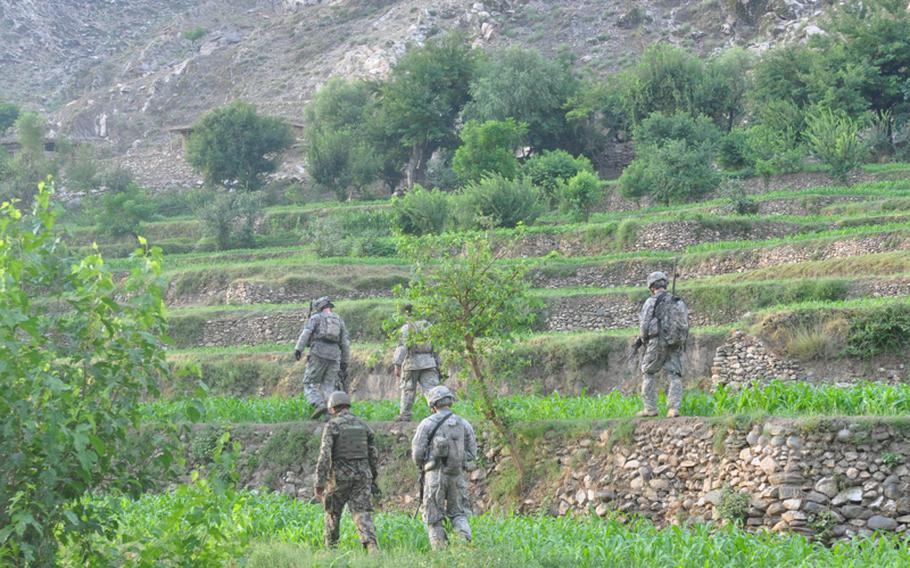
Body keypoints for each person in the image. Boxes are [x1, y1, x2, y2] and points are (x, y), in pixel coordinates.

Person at [411, 386, 477, 550]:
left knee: (434, 517)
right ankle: (464, 549)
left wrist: (426, 464)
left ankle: (440, 554)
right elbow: (472, 453)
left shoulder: (426, 424)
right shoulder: (463, 423)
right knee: (459, 514)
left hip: (435, 476)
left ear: (433, 404)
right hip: (457, 476)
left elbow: (417, 454)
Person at [314, 391, 380, 552]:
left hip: (338, 478)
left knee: (332, 514)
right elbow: (374, 455)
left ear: (332, 408)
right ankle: (372, 550)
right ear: (347, 405)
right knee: (362, 513)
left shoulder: (332, 425)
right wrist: (373, 478)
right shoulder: (363, 425)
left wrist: (319, 482)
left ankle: (332, 551)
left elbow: (324, 456)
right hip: (362, 477)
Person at [634, 271, 688, 418]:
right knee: (675, 375)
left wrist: (643, 340)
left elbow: (644, 325)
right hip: (674, 344)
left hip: (656, 342)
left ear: (652, 287)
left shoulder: (650, 302)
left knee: (648, 372)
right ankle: (673, 409)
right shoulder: (678, 301)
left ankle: (650, 408)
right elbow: (684, 325)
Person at [293, 296, 350, 419]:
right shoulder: (339, 320)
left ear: (319, 307)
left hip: (318, 352)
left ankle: (319, 404)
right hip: (335, 355)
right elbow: (345, 342)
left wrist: (298, 349)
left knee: (309, 383)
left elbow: (306, 332)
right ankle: (330, 413)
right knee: (328, 386)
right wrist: (345, 361)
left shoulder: (316, 318)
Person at [393, 304, 441, 422]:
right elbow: (436, 347)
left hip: (411, 362)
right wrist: (438, 363)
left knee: (408, 389)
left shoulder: (407, 328)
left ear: (407, 314)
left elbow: (402, 347)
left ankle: (405, 415)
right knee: (431, 389)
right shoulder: (428, 326)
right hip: (429, 362)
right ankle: (439, 412)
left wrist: (397, 364)